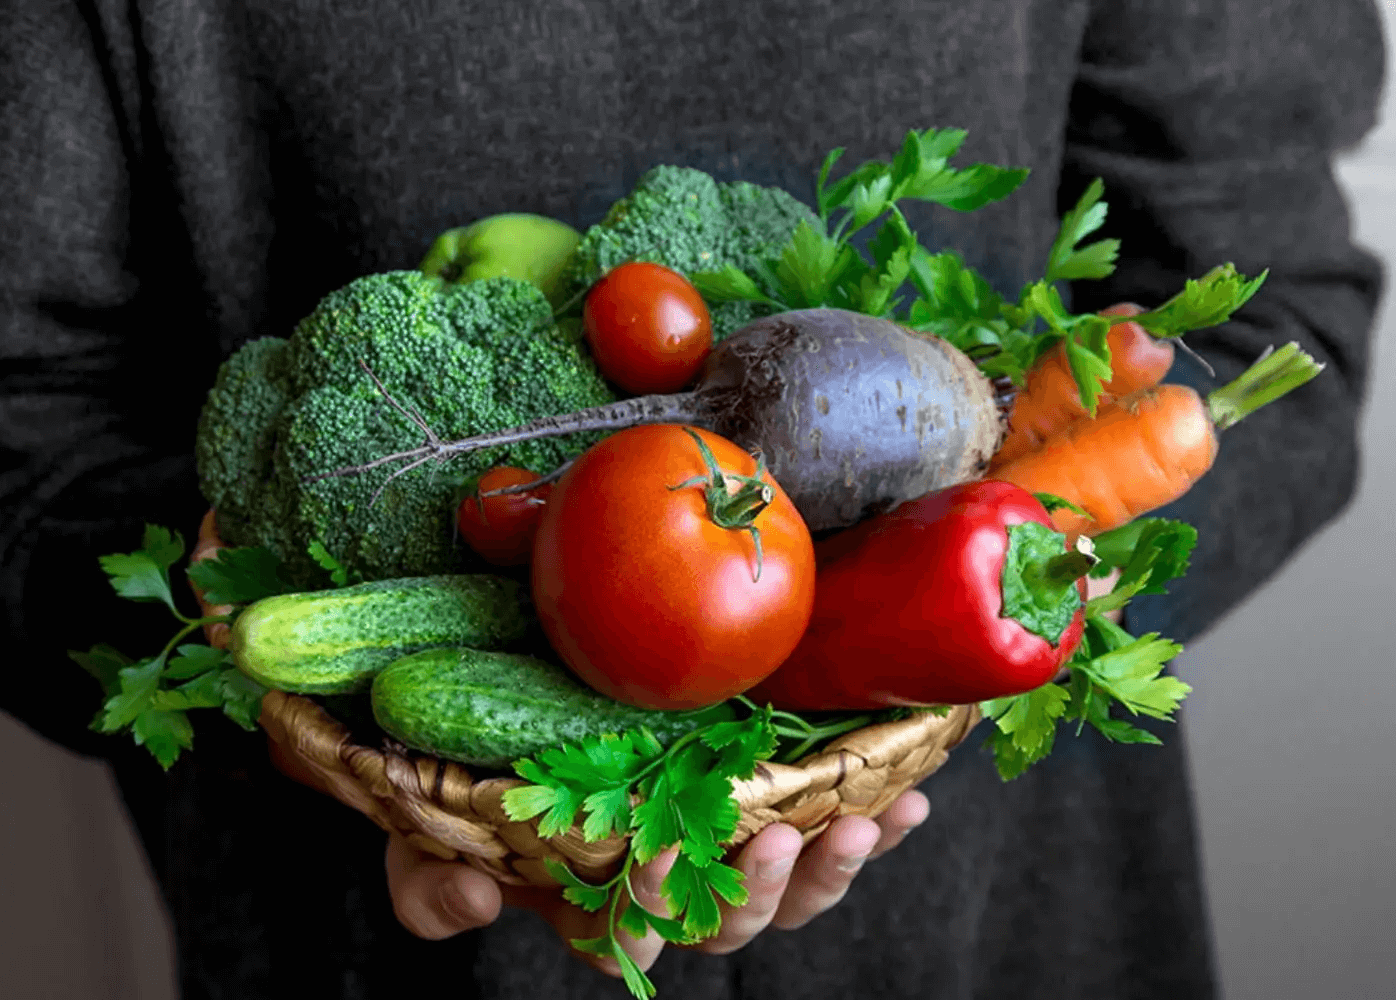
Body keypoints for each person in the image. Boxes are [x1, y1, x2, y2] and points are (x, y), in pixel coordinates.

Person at [1, 1, 1383, 997]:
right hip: (362, 932)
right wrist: (277, 712)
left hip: (1007, 927)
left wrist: (1005, 615)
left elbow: (1280, 327)